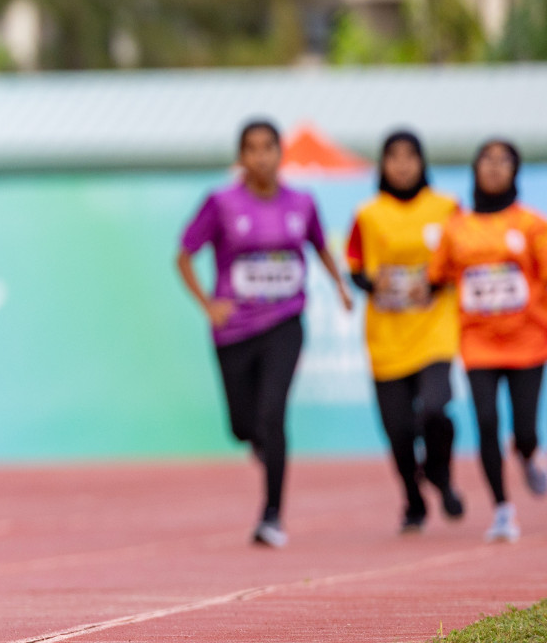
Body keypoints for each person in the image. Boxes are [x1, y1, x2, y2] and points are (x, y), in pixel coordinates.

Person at [176, 120, 353, 548]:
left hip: (285, 323)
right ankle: (256, 440)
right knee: (242, 427)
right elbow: (184, 254)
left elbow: (319, 247)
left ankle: (272, 515)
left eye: (268, 147)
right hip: (234, 330)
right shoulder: (220, 203)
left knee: (273, 415)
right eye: (251, 149)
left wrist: (341, 287)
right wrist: (207, 304)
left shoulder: (302, 203)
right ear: (241, 157)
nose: (261, 156)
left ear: (280, 153)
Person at [428, 139, 547, 543]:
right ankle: (502, 509)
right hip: (478, 344)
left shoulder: (531, 225)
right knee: (486, 423)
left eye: (504, 161)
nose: (495, 168)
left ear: (516, 171)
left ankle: (529, 454)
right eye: (487, 160)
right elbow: (436, 275)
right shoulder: (456, 227)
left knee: (525, 430)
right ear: (475, 168)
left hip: (528, 341)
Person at [346, 131, 465, 532]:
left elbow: (464, 257)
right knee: (397, 431)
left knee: (435, 408)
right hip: (387, 336)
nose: (401, 164)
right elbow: (355, 266)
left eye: (410, 155)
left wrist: (431, 284)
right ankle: (413, 501)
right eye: (392, 156)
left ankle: (441, 474)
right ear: (382, 165)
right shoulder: (368, 213)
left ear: (422, 161)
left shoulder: (447, 207)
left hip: (435, 329)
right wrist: (371, 284)